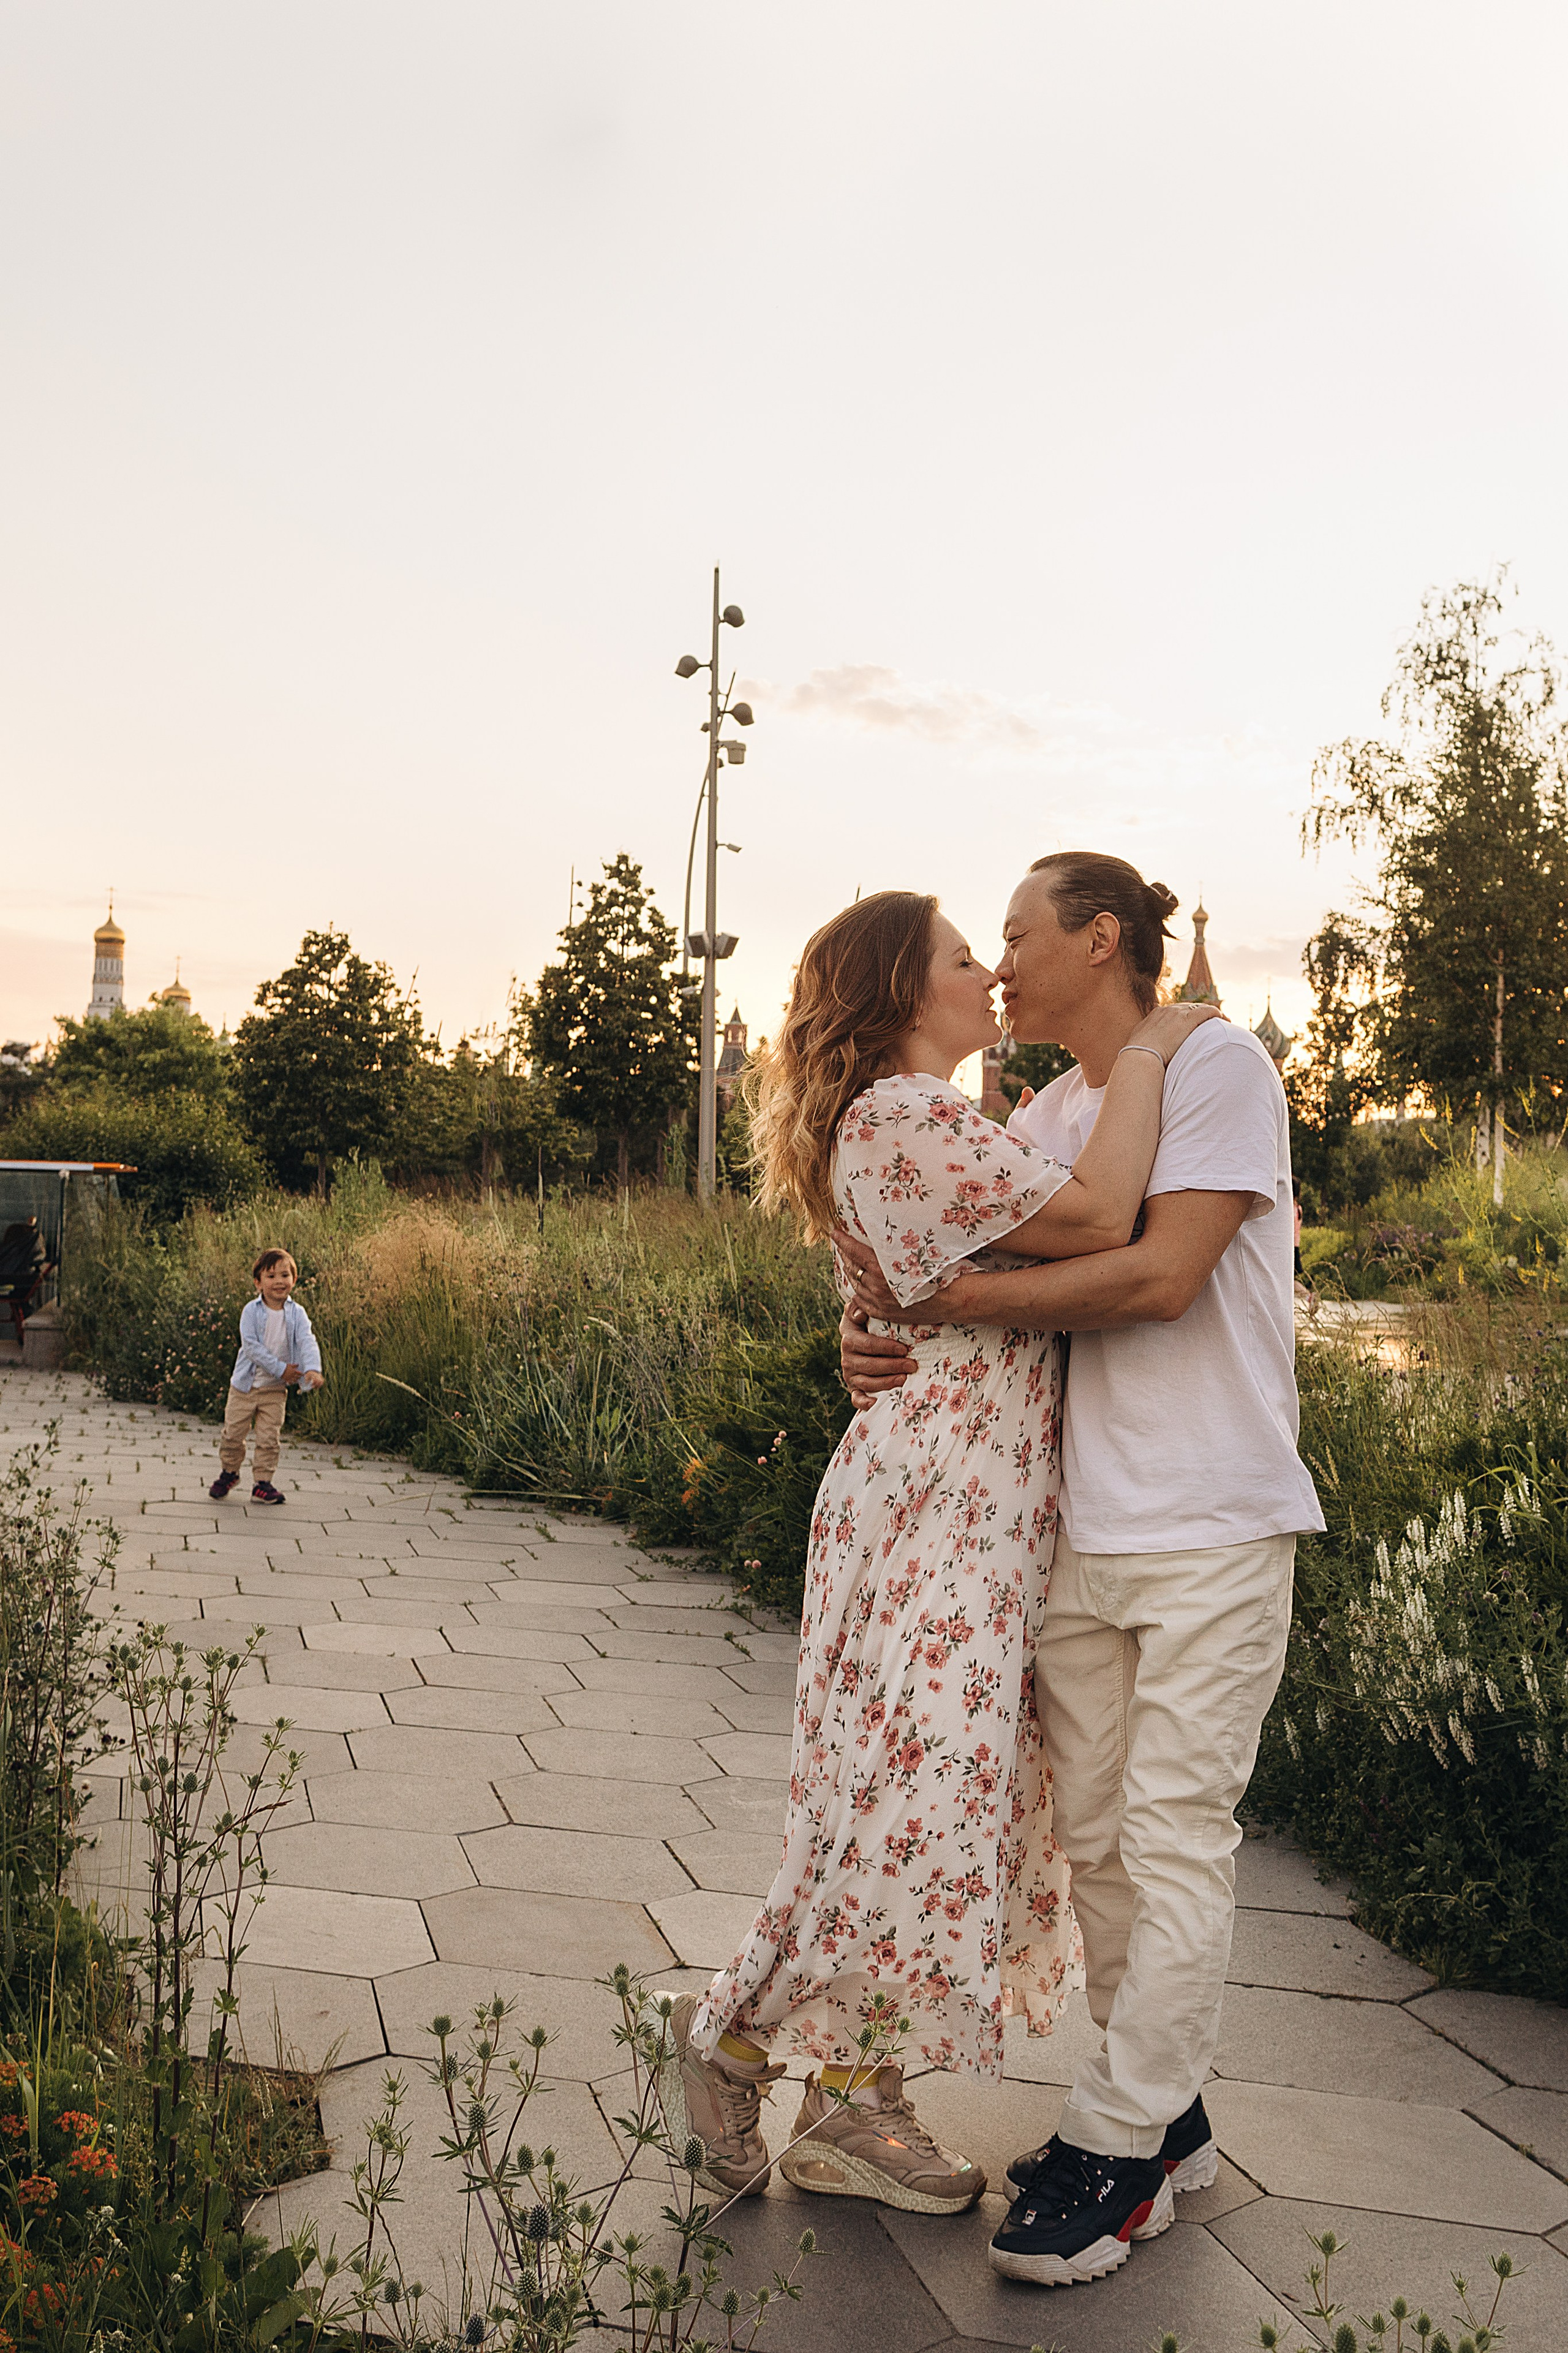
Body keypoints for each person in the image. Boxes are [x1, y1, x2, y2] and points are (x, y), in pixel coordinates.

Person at [657, 889, 1218, 2221]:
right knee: (914, 1797)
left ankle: (842, 2088)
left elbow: (940, 1292)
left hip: (955, 1499)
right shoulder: (904, 1116)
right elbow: (1097, 1220)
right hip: (942, 1510)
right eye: (964, 957)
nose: (989, 974)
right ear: (905, 995)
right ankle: (762, 2052)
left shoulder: (925, 1120)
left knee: (917, 1798)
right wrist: (1151, 1050)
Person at [839, 852, 1324, 2289]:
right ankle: (1165, 2117)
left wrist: (957, 1295)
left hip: (1214, 1521)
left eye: (1012, 932)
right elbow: (921, 1281)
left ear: (1096, 938)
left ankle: (1110, 2144)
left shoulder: (1215, 1063)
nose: (994, 960)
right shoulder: (1050, 1110)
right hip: (1075, 1535)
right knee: (1101, 1849)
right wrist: (872, 1332)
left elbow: (1154, 1274)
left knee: (1173, 1836)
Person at [209, 1248, 324, 1506]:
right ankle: (229, 1472)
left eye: (285, 1275)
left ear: (294, 1279)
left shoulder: (297, 1314)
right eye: (271, 1276)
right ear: (258, 1283)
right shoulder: (251, 1312)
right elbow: (251, 1347)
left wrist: (312, 1369)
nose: (279, 1281)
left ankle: (263, 1483)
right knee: (233, 1434)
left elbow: (307, 1341)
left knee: (269, 1438)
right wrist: (281, 1368)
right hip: (245, 1388)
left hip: (274, 1391)